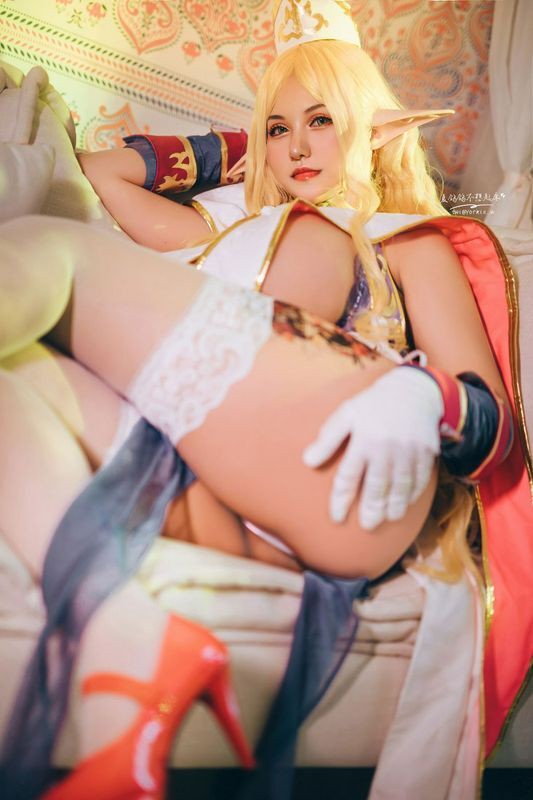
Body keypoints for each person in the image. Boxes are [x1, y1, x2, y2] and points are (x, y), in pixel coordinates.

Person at [0, 2, 529, 798]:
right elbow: (103, 173)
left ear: (370, 129)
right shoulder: (226, 230)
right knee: (16, 376)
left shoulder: (408, 239)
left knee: (43, 247)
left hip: (346, 476)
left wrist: (425, 400)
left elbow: (493, 425)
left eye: (322, 120)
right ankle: (131, 642)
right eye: (280, 129)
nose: (297, 146)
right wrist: (250, 142)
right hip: (220, 482)